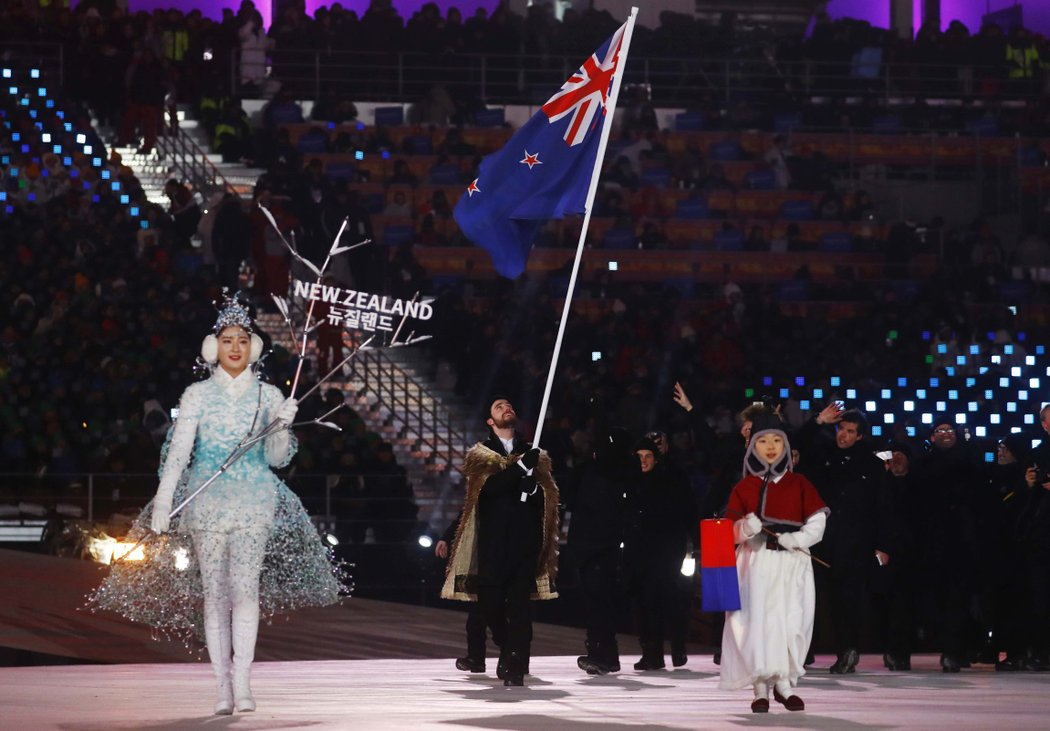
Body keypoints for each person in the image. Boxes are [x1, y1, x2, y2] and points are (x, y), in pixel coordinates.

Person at [88, 294, 344, 715]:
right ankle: (222, 686)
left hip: (254, 500)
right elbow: (179, 454)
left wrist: (283, 425)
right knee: (214, 594)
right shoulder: (197, 396)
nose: (236, 347)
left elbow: (278, 459)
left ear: (253, 347)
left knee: (245, 592)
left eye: (243, 339)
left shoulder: (268, 395)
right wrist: (164, 502)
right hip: (207, 500)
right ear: (214, 347)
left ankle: (242, 682)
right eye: (228, 339)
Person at [440, 396, 560, 686]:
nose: (507, 408)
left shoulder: (533, 454)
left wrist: (534, 492)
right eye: (498, 406)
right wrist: (519, 471)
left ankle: (515, 666)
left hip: (524, 543)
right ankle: (508, 650)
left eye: (509, 405)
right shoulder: (481, 455)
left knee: (519, 608)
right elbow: (484, 491)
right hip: (493, 546)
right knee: (490, 605)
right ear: (490, 421)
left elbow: (549, 499)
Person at [720, 413, 828, 713]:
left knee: (789, 621)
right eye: (763, 441)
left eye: (777, 440)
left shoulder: (800, 483)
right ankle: (759, 690)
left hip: (792, 564)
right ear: (753, 446)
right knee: (755, 624)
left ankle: (784, 684)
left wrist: (798, 539)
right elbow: (728, 530)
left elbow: (818, 521)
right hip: (755, 563)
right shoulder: (744, 487)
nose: (770, 447)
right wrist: (746, 528)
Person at [795, 404, 892, 674]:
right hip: (819, 541)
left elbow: (883, 506)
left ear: (860, 436)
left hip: (855, 544)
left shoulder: (872, 465)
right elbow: (795, 443)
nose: (843, 435)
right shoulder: (822, 454)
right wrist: (818, 422)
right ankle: (803, 652)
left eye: (850, 431)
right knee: (809, 598)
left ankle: (847, 651)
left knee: (847, 600)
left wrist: (883, 545)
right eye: (841, 429)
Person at [623, 435, 697, 670]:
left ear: (656, 459)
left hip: (667, 551)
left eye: (648, 456)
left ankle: (676, 647)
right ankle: (652, 652)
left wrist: (693, 544)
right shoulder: (628, 483)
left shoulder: (670, 481)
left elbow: (687, 510)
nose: (643, 461)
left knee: (667, 599)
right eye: (639, 457)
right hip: (639, 553)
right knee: (644, 602)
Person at [566, 426, 637, 674]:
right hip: (588, 545)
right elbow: (569, 497)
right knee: (594, 600)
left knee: (600, 601)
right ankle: (601, 651)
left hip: (603, 546)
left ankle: (603, 653)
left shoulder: (617, 474)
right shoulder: (590, 471)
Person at [436, 515, 497, 673]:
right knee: (476, 614)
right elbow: (465, 515)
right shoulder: (478, 494)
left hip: (501, 558)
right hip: (481, 559)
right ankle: (476, 658)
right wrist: (446, 538)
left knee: (497, 614)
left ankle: (513, 656)